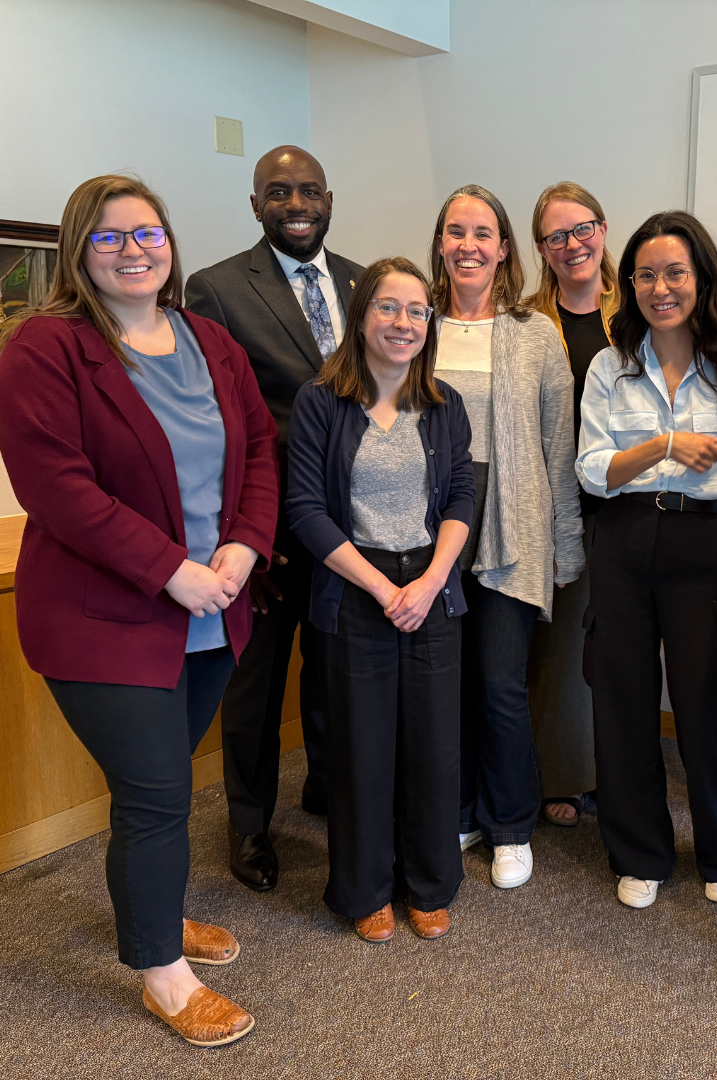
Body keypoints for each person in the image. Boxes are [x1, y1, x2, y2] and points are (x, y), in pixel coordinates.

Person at [0, 176, 278, 1046]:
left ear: (171, 244)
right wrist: (172, 571)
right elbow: (59, 490)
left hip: (215, 611)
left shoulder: (210, 340)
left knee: (150, 791)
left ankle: (153, 914)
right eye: (111, 238)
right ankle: (163, 975)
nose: (133, 251)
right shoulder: (44, 348)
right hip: (106, 619)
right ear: (80, 250)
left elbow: (261, 448)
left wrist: (242, 546)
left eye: (148, 234)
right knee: (159, 794)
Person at [576, 210, 717, 911]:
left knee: (709, 706)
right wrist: (662, 445)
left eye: (675, 273)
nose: (661, 287)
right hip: (626, 542)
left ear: (702, 279)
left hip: (710, 547)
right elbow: (593, 470)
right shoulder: (610, 365)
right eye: (647, 275)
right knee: (622, 700)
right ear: (629, 285)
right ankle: (640, 852)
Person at [186, 145, 364, 893]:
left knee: (333, 671)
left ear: (329, 198)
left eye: (310, 191)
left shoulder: (362, 282)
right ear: (256, 205)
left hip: (353, 528)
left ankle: (323, 786)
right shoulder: (218, 289)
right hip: (269, 533)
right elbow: (215, 422)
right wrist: (240, 536)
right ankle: (250, 825)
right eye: (279, 192)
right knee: (255, 687)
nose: (298, 204)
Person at [287, 257, 474, 942]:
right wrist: (382, 587)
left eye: (417, 310)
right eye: (388, 308)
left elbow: (460, 497)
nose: (403, 322)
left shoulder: (445, 406)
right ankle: (364, 889)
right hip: (354, 590)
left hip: (432, 590)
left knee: (432, 745)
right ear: (362, 315)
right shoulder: (320, 402)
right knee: (360, 748)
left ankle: (429, 883)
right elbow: (306, 511)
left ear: (431, 321)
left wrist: (427, 584)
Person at [430, 184, 585, 890]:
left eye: (482, 233)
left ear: (503, 249)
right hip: (429, 534)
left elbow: (559, 445)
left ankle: (511, 823)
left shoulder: (534, 333)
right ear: (441, 243)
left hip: (511, 533)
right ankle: (460, 807)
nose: (469, 245)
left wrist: (566, 543)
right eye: (456, 231)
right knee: (445, 686)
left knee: (498, 684)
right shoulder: (416, 323)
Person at [524, 181, 619, 828]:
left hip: (630, 501)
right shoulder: (526, 319)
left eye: (581, 228)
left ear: (603, 228)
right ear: (540, 249)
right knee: (559, 649)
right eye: (556, 235)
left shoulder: (641, 304)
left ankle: (618, 768)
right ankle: (564, 771)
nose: (572, 243)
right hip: (555, 499)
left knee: (622, 647)